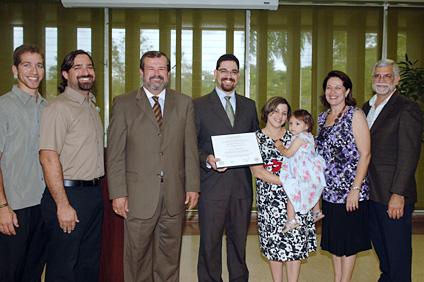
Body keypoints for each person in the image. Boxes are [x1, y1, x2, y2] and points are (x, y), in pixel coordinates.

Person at [107, 51, 200, 282]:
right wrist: (118, 193)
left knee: (169, 260)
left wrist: (193, 186)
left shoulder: (184, 103)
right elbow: (116, 154)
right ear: (142, 72)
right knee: (137, 260)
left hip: (173, 194)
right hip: (138, 197)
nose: (156, 74)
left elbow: (190, 148)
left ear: (168, 73)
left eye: (161, 69)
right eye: (151, 69)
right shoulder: (123, 103)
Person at [39, 50, 104, 282]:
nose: (85, 72)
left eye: (89, 66)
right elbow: (48, 157)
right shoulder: (58, 108)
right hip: (68, 196)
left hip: (93, 195)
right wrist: (63, 205)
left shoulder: (90, 106)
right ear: (66, 74)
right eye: (78, 68)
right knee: (62, 267)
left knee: (87, 263)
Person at [194, 54, 259, 282]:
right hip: (212, 188)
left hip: (241, 188)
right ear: (215, 73)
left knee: (239, 244)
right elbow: (192, 145)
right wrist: (207, 158)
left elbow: (255, 143)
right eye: (224, 71)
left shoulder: (250, 106)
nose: (228, 76)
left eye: (233, 72)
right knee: (210, 245)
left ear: (238, 76)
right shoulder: (199, 106)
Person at [362, 59, 422, 282]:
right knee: (382, 250)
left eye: (387, 76)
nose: (381, 80)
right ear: (372, 79)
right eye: (377, 76)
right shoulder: (366, 108)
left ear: (396, 80)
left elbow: (409, 154)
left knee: (398, 253)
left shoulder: (407, 108)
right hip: (371, 192)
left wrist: (399, 193)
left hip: (393, 195)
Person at [251, 97, 317, 282]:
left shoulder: (295, 136)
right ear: (267, 112)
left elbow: (310, 163)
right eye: (275, 111)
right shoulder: (255, 138)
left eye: (284, 113)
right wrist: (289, 182)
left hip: (295, 200)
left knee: (294, 245)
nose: (279, 116)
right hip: (270, 200)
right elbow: (258, 172)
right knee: (274, 245)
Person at [316, 70, 371, 282]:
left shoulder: (355, 115)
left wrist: (355, 190)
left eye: (338, 87)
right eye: (329, 87)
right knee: (336, 245)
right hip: (329, 194)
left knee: (348, 244)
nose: (333, 91)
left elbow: (365, 154)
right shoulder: (323, 118)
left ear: (347, 90)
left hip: (350, 193)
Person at [0, 44, 47, 282]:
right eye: (26, 64)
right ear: (15, 70)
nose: (34, 71)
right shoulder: (4, 106)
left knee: (33, 274)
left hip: (43, 205)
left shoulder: (49, 108)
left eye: (39, 65)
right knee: (9, 274)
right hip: (14, 209)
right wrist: (2, 207)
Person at [274, 109, 326, 233]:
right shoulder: (309, 137)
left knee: (292, 193)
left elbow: (288, 153)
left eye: (297, 124)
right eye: (291, 123)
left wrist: (280, 146)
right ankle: (316, 212)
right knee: (312, 190)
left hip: (301, 173)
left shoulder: (299, 139)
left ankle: (291, 220)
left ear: (307, 126)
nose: (292, 127)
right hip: (311, 172)